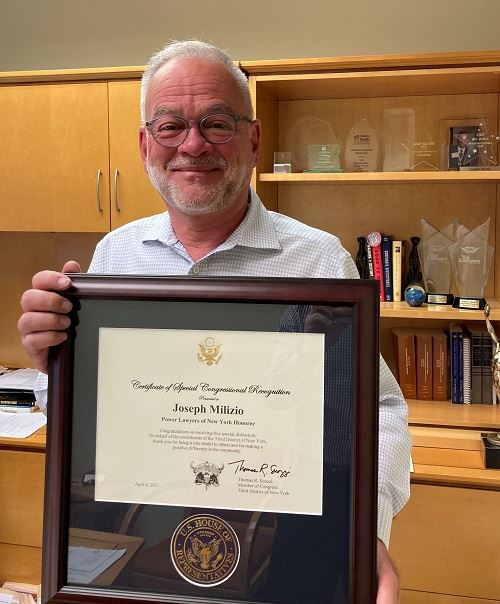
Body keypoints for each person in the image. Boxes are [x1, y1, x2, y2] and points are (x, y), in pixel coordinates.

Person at [18, 40, 411, 602]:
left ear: (252, 139)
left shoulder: (320, 262)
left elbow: (378, 411)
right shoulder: (115, 259)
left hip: (288, 534)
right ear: (145, 144)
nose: (193, 145)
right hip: (139, 532)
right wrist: (55, 362)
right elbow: (97, 427)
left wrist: (362, 528)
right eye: (171, 126)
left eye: (216, 123)